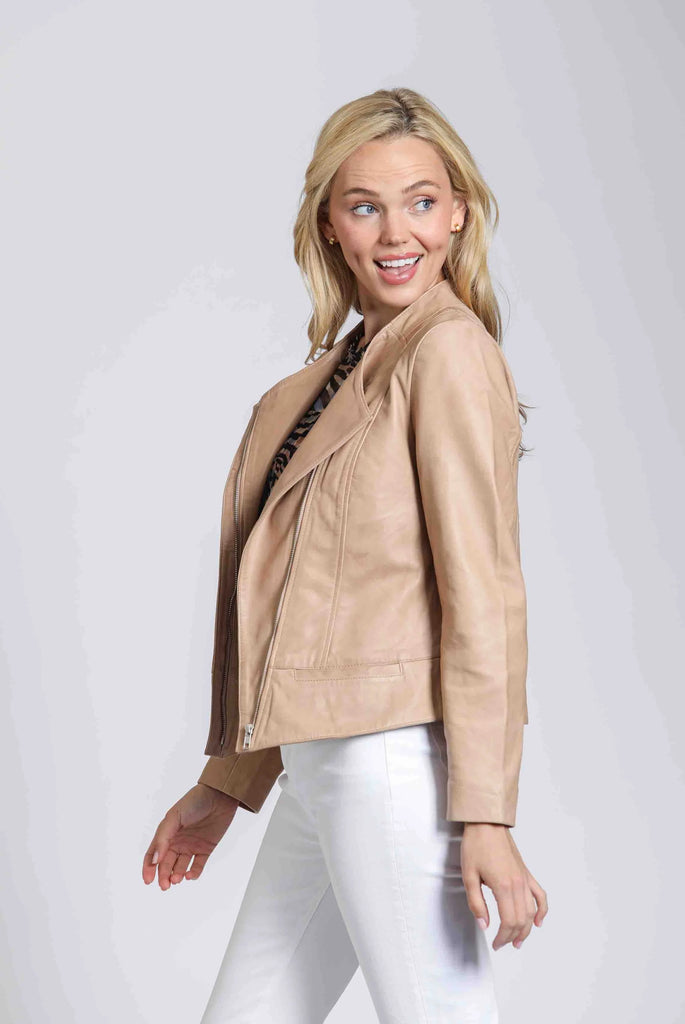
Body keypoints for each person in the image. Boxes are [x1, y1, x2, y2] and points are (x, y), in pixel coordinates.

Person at [142, 86, 549, 1023]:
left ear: (457, 214)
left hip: (391, 763)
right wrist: (225, 782)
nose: (396, 232)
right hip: (319, 770)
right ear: (328, 222)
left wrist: (486, 813)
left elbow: (483, 594)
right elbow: (288, 607)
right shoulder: (325, 379)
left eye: (421, 201)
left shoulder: (445, 352)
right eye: (365, 206)